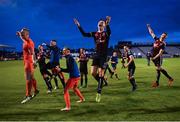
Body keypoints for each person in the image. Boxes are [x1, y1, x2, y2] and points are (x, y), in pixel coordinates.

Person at [74, 16, 111, 102]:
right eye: (99, 24)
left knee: (101, 73)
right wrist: (79, 25)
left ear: (104, 25)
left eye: (102, 24)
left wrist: (108, 23)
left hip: (104, 56)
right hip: (96, 55)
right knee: (93, 73)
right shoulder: (94, 33)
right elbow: (84, 34)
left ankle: (99, 92)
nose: (100, 25)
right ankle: (102, 82)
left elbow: (109, 31)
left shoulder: (106, 33)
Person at [16, 28, 39, 104]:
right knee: (31, 78)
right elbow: (23, 39)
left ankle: (28, 95)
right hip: (27, 62)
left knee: (28, 79)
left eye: (23, 34)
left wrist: (34, 62)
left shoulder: (30, 43)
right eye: (21, 34)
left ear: (27, 34)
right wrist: (20, 36)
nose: (22, 35)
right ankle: (36, 90)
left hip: (29, 63)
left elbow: (33, 53)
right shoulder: (26, 40)